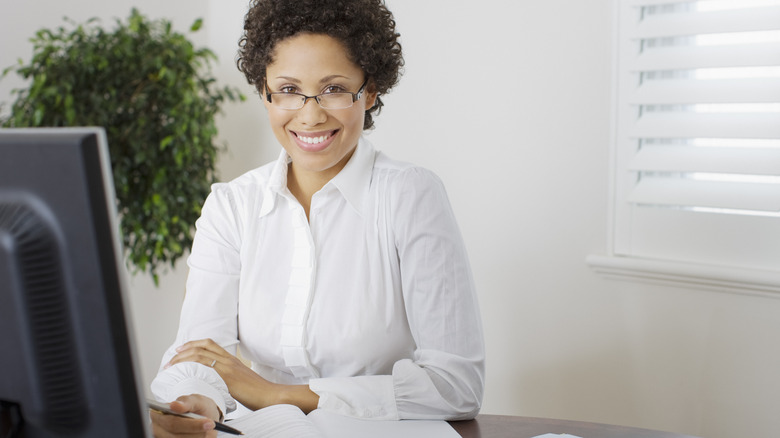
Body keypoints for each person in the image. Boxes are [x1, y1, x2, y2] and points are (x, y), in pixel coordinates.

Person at [149, 0, 485, 435]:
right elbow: (196, 357)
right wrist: (198, 402)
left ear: (371, 90)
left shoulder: (410, 196)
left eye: (334, 89)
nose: (310, 114)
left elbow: (456, 385)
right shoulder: (232, 205)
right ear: (263, 89)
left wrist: (275, 393)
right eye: (288, 89)